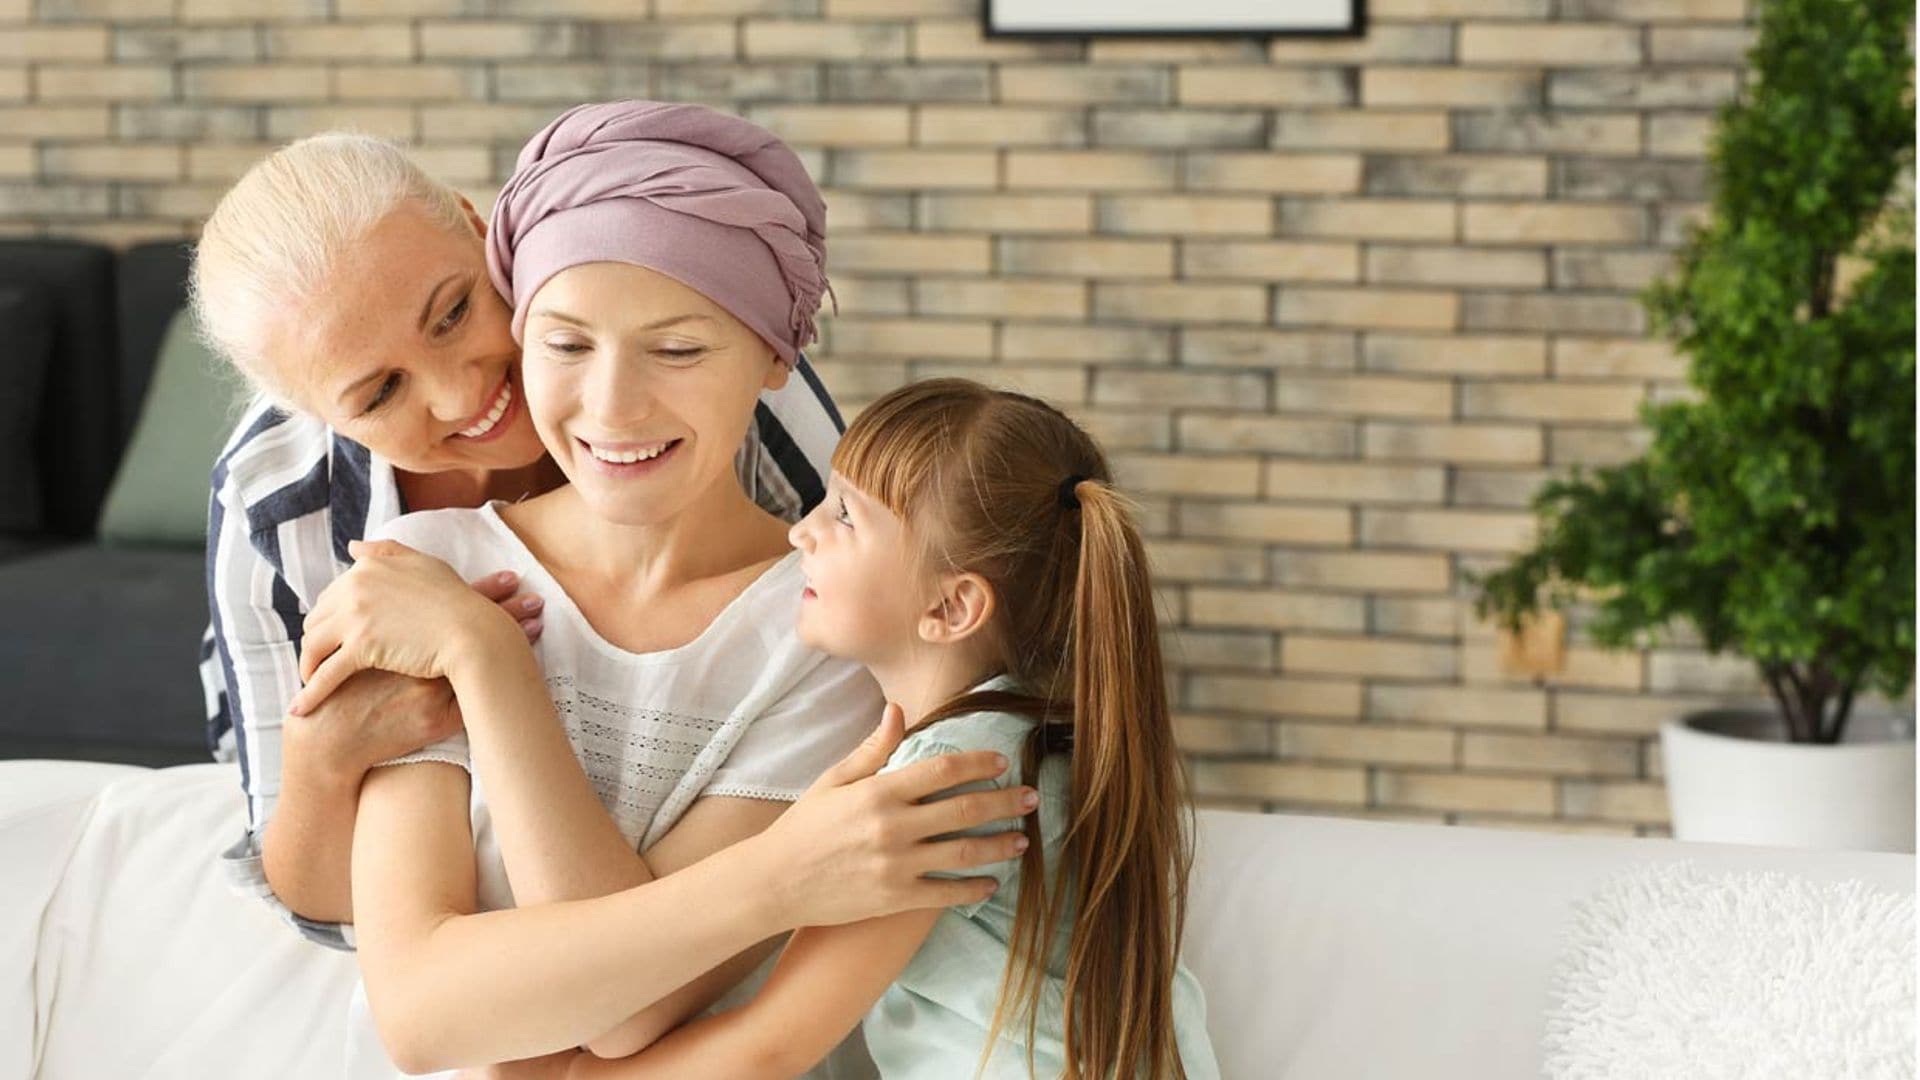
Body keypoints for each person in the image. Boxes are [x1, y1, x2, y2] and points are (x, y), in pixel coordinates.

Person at [189, 110, 1037, 1042]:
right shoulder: (362, 542)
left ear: (486, 237)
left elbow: (887, 604)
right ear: (315, 411)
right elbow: (357, 936)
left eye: (456, 312)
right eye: (379, 392)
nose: (464, 394)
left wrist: (482, 658)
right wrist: (330, 748)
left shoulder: (804, 581)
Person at [526, 377, 1222, 1078]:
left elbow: (771, 1047)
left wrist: (568, 1076)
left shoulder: (952, 776)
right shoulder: (1026, 736)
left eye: (847, 517)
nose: (803, 531)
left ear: (950, 610)